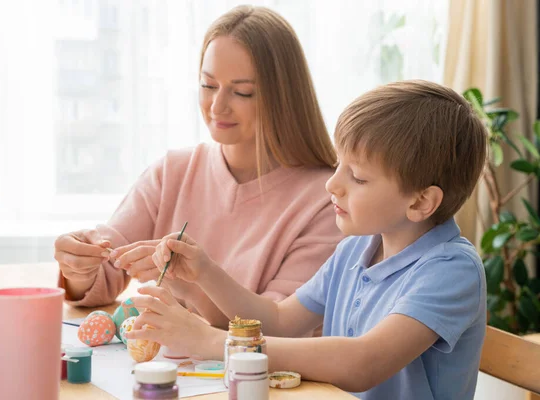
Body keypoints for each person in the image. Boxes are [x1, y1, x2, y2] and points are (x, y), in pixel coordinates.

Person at [128, 80, 488, 399]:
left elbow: (364, 363)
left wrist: (211, 342)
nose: (332, 185)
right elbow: (278, 320)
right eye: (337, 165)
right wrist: (205, 271)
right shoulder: (355, 250)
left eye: (358, 177)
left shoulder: (451, 270)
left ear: (421, 201)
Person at [54, 5, 344, 328]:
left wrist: (192, 285)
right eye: (208, 86)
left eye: (242, 92)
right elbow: (102, 276)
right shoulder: (173, 172)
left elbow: (278, 329)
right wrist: (78, 268)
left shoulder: (327, 200)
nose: (217, 106)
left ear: (283, 97)